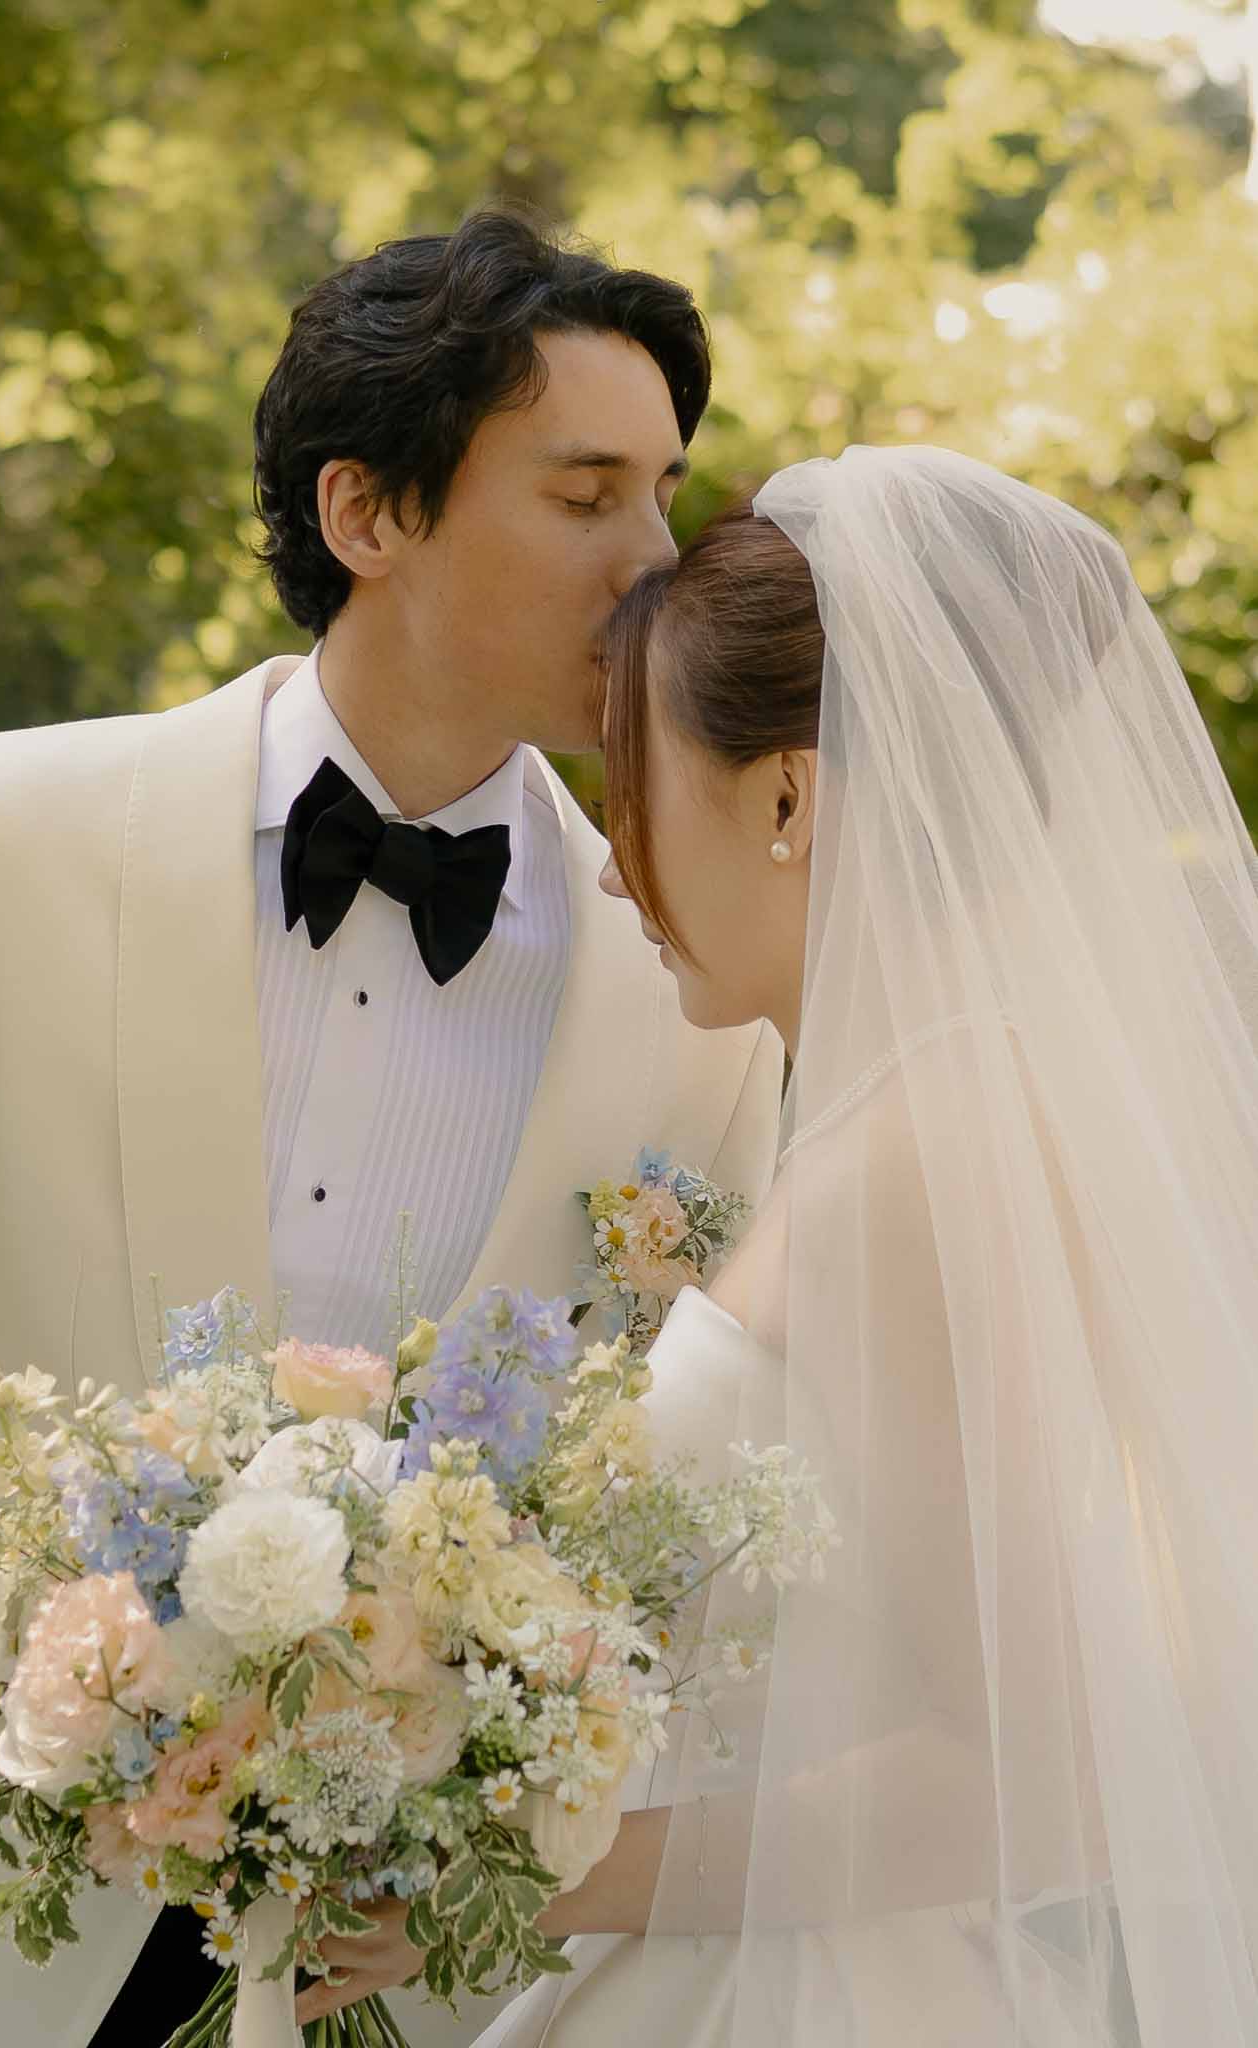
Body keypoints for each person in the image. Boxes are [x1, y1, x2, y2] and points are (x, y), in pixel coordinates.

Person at [0, 210, 784, 2048]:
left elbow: (691, 1541)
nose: (655, 563)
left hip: (424, 1980)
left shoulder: (692, 989)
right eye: (586, 494)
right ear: (365, 513)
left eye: (665, 494)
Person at [324, 442, 1256, 2048]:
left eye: (637, 786)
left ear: (783, 793)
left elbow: (1020, 1769)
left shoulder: (920, 1153)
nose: (614, 859)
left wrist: (510, 1869)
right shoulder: (914, 1107)